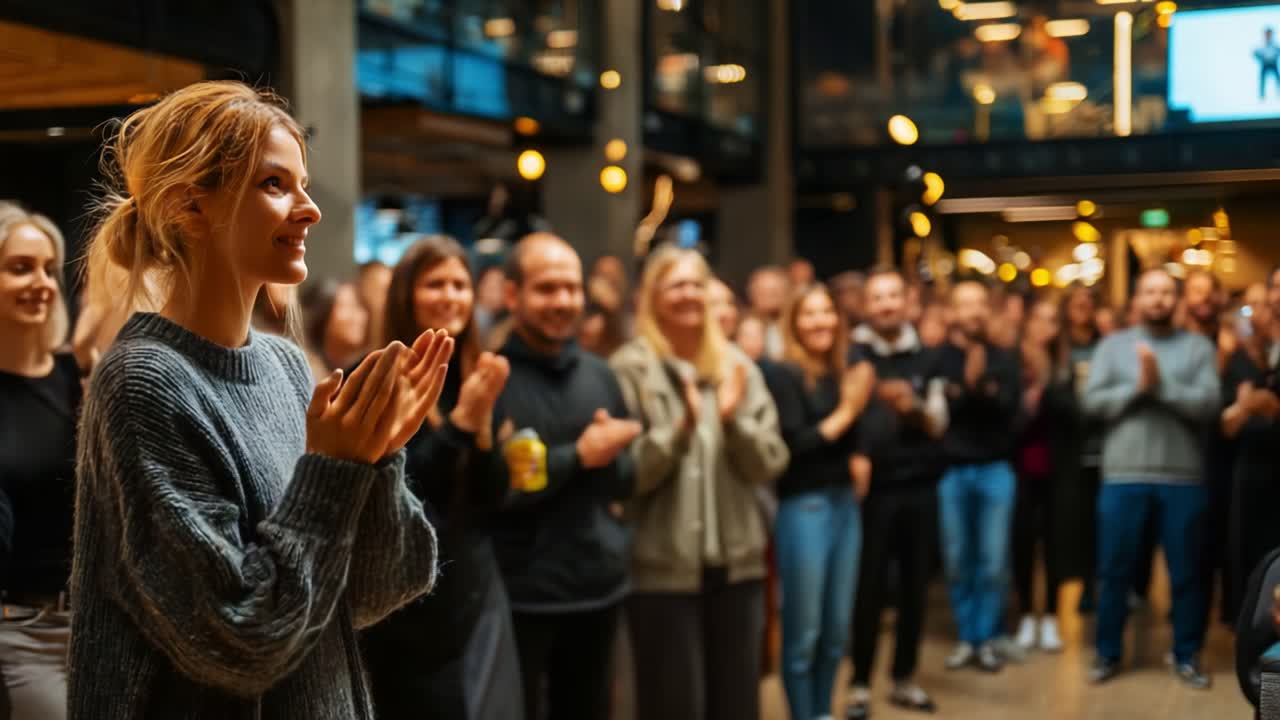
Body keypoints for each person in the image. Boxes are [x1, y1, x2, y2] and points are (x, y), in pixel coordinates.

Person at [70, 81, 452, 720]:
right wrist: (334, 473)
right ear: (190, 207)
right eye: (275, 185)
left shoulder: (282, 364)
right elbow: (241, 638)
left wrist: (375, 461)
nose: (310, 210)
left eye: (302, 185)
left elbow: (372, 592)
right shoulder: (145, 383)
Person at [612, 246, 788, 720]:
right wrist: (680, 430)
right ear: (652, 296)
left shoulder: (737, 366)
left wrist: (733, 422)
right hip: (661, 572)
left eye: (696, 284)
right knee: (674, 705)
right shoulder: (631, 370)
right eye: (676, 284)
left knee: (737, 703)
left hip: (739, 570)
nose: (688, 294)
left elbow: (770, 462)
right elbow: (624, 476)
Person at [361, 236, 523, 720]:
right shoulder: (373, 378)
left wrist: (483, 427)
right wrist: (460, 427)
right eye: (436, 284)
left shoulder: (477, 373)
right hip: (406, 597)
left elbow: (491, 495)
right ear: (406, 293)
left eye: (460, 284)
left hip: (474, 583)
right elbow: (400, 494)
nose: (451, 296)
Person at [490, 233, 641, 720]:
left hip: (599, 586)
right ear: (513, 295)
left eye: (572, 289)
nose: (564, 302)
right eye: (547, 289)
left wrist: (612, 454)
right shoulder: (493, 379)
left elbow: (625, 483)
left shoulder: (601, 375)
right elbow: (506, 489)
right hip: (525, 596)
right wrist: (580, 454)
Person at [1083, 268, 1220, 689]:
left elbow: (1209, 403)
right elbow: (1092, 403)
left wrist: (1159, 387)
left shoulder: (1197, 346)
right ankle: (1107, 654)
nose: (1158, 299)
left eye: (1165, 292)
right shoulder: (1112, 346)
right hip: (1123, 477)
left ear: (1175, 300)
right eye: (1150, 292)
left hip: (1182, 479)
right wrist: (1136, 388)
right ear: (1137, 299)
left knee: (1186, 573)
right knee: (1114, 572)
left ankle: (1186, 654)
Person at [760, 282, 867, 720]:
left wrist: (860, 447)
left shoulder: (842, 371)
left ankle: (823, 712)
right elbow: (792, 446)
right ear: (793, 322)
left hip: (845, 505)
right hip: (804, 507)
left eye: (827, 312)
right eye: (809, 313)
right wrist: (845, 414)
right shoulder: (781, 372)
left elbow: (862, 433)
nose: (820, 321)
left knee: (836, 632)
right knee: (803, 634)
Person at [846, 267, 948, 719]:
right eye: (878, 297)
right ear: (867, 305)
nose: (886, 305)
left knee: (913, 588)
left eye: (893, 296)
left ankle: (904, 676)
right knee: (866, 588)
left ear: (907, 302)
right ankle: (859, 682)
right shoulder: (850, 354)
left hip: (921, 487)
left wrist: (913, 409)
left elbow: (941, 423)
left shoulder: (928, 357)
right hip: (871, 493)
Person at [0, 203, 78, 720]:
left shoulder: (81, 377)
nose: (42, 283)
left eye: (49, 269)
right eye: (20, 267)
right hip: (19, 631)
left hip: (98, 625)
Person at [936, 279, 1022, 673]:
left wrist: (977, 389)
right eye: (963, 304)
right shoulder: (937, 359)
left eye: (978, 304)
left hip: (995, 470)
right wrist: (966, 389)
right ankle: (966, 635)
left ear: (987, 310)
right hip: (952, 473)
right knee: (957, 561)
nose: (971, 311)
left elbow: (1009, 411)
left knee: (992, 561)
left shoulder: (1004, 357)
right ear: (950, 312)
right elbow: (937, 419)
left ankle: (986, 637)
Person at [1222, 295, 1280, 630]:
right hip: (1252, 469)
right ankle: (1256, 640)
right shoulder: (1242, 359)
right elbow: (1228, 423)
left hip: (1272, 466)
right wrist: (1247, 407)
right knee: (1253, 557)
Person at [1011, 299, 1066, 653]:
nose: (1047, 328)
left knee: (1056, 544)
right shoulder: (1014, 364)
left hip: (1057, 469)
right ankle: (1027, 614)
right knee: (1022, 543)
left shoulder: (1063, 367)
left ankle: (1051, 617)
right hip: (1018, 468)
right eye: (1040, 320)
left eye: (1052, 321)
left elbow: (1074, 415)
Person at [301, 279, 369, 374]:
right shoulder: (306, 371)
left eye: (359, 306)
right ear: (323, 314)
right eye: (347, 306)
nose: (359, 316)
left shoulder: (354, 368)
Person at [747, 266, 790, 360]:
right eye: (763, 292)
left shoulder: (793, 327)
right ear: (752, 293)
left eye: (774, 292)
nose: (768, 298)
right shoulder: (742, 327)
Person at [1256, 27, 1280, 100]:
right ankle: (1262, 96)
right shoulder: (1262, 44)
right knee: (1262, 80)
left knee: (1278, 79)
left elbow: (1277, 51)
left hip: (1273, 64)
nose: (1268, 36)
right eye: (1267, 34)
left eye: (1269, 34)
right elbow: (1257, 53)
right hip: (1265, 64)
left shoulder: (1275, 45)